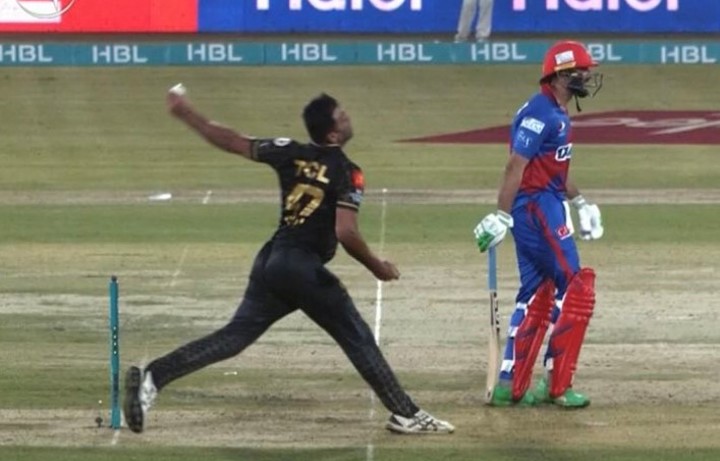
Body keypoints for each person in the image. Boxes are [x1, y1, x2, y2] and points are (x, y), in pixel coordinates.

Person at [122, 87, 455, 435]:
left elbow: (233, 141)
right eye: (342, 116)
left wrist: (186, 113)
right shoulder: (348, 172)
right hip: (302, 269)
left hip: (272, 259)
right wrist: (377, 266)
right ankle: (406, 414)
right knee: (357, 337)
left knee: (233, 338)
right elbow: (346, 232)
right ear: (333, 134)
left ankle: (153, 377)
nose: (348, 118)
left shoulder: (290, 152)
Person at [473, 41, 604, 408]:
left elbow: (552, 168)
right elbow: (515, 166)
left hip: (542, 202)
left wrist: (579, 201)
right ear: (560, 75)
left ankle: (509, 385)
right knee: (576, 288)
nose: (587, 77)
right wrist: (502, 213)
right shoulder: (541, 113)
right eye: (581, 71)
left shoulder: (555, 110)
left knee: (536, 292)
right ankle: (558, 385)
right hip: (535, 207)